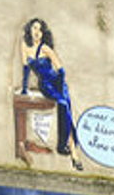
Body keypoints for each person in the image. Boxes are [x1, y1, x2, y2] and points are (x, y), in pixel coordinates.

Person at [20, 18, 83, 170]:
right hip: (46, 85)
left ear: (43, 33)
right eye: (35, 28)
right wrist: (24, 88)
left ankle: (72, 152)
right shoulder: (25, 46)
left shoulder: (46, 49)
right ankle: (67, 148)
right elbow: (26, 69)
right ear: (29, 30)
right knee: (63, 105)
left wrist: (60, 88)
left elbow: (61, 70)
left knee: (65, 108)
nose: (37, 32)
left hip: (57, 83)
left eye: (40, 30)